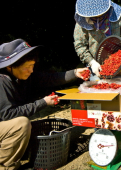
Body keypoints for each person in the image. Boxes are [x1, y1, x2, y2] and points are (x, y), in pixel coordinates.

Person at [0, 39, 89, 170]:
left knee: (24, 125)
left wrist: (75, 73)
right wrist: (43, 103)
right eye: (27, 66)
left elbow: (49, 79)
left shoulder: (20, 75)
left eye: (33, 65)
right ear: (10, 66)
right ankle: (5, 166)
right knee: (21, 125)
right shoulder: (2, 82)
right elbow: (7, 115)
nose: (31, 70)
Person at [74, 0, 121, 80]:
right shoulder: (82, 20)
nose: (98, 17)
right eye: (95, 16)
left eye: (100, 15)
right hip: (96, 68)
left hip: (119, 63)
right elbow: (80, 45)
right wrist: (92, 62)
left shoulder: (116, 12)